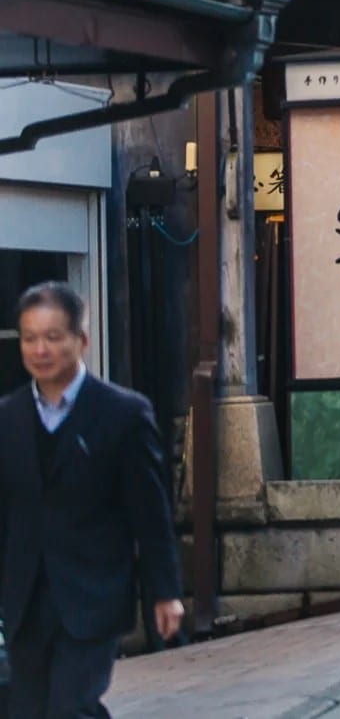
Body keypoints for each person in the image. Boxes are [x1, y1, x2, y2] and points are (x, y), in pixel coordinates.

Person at [1, 283, 183, 716]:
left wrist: (164, 592)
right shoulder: (8, 419)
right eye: (29, 338)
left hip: (92, 593)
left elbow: (150, 513)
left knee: (71, 707)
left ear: (80, 340)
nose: (40, 349)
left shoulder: (122, 413)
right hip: (25, 598)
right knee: (26, 710)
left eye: (52, 337)